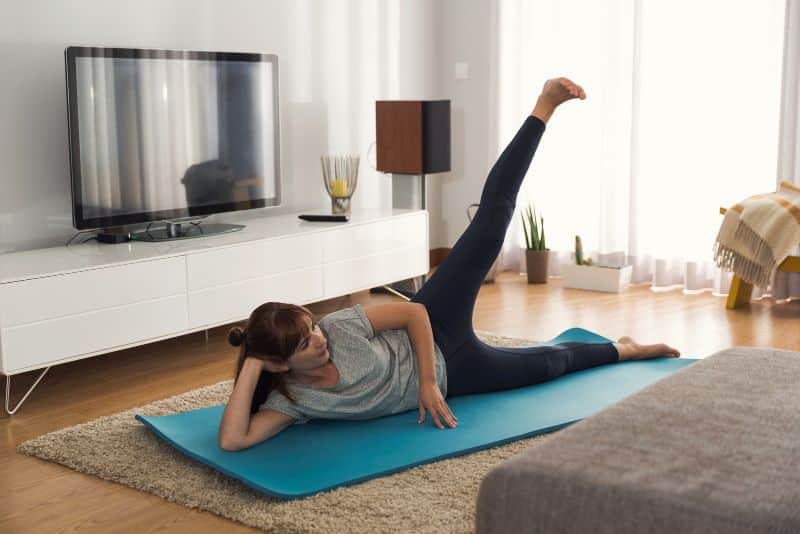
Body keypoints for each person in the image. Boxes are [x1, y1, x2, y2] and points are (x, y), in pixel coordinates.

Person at [218, 77, 680, 452]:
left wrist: (424, 383)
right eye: (303, 344)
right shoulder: (295, 400)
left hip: (433, 326)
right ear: (280, 366)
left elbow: (414, 312)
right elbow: (234, 440)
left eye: (310, 328)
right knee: (552, 364)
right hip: (458, 373)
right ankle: (627, 349)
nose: (318, 340)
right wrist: (255, 365)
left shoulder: (340, 327)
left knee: (491, 222)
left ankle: (544, 106)